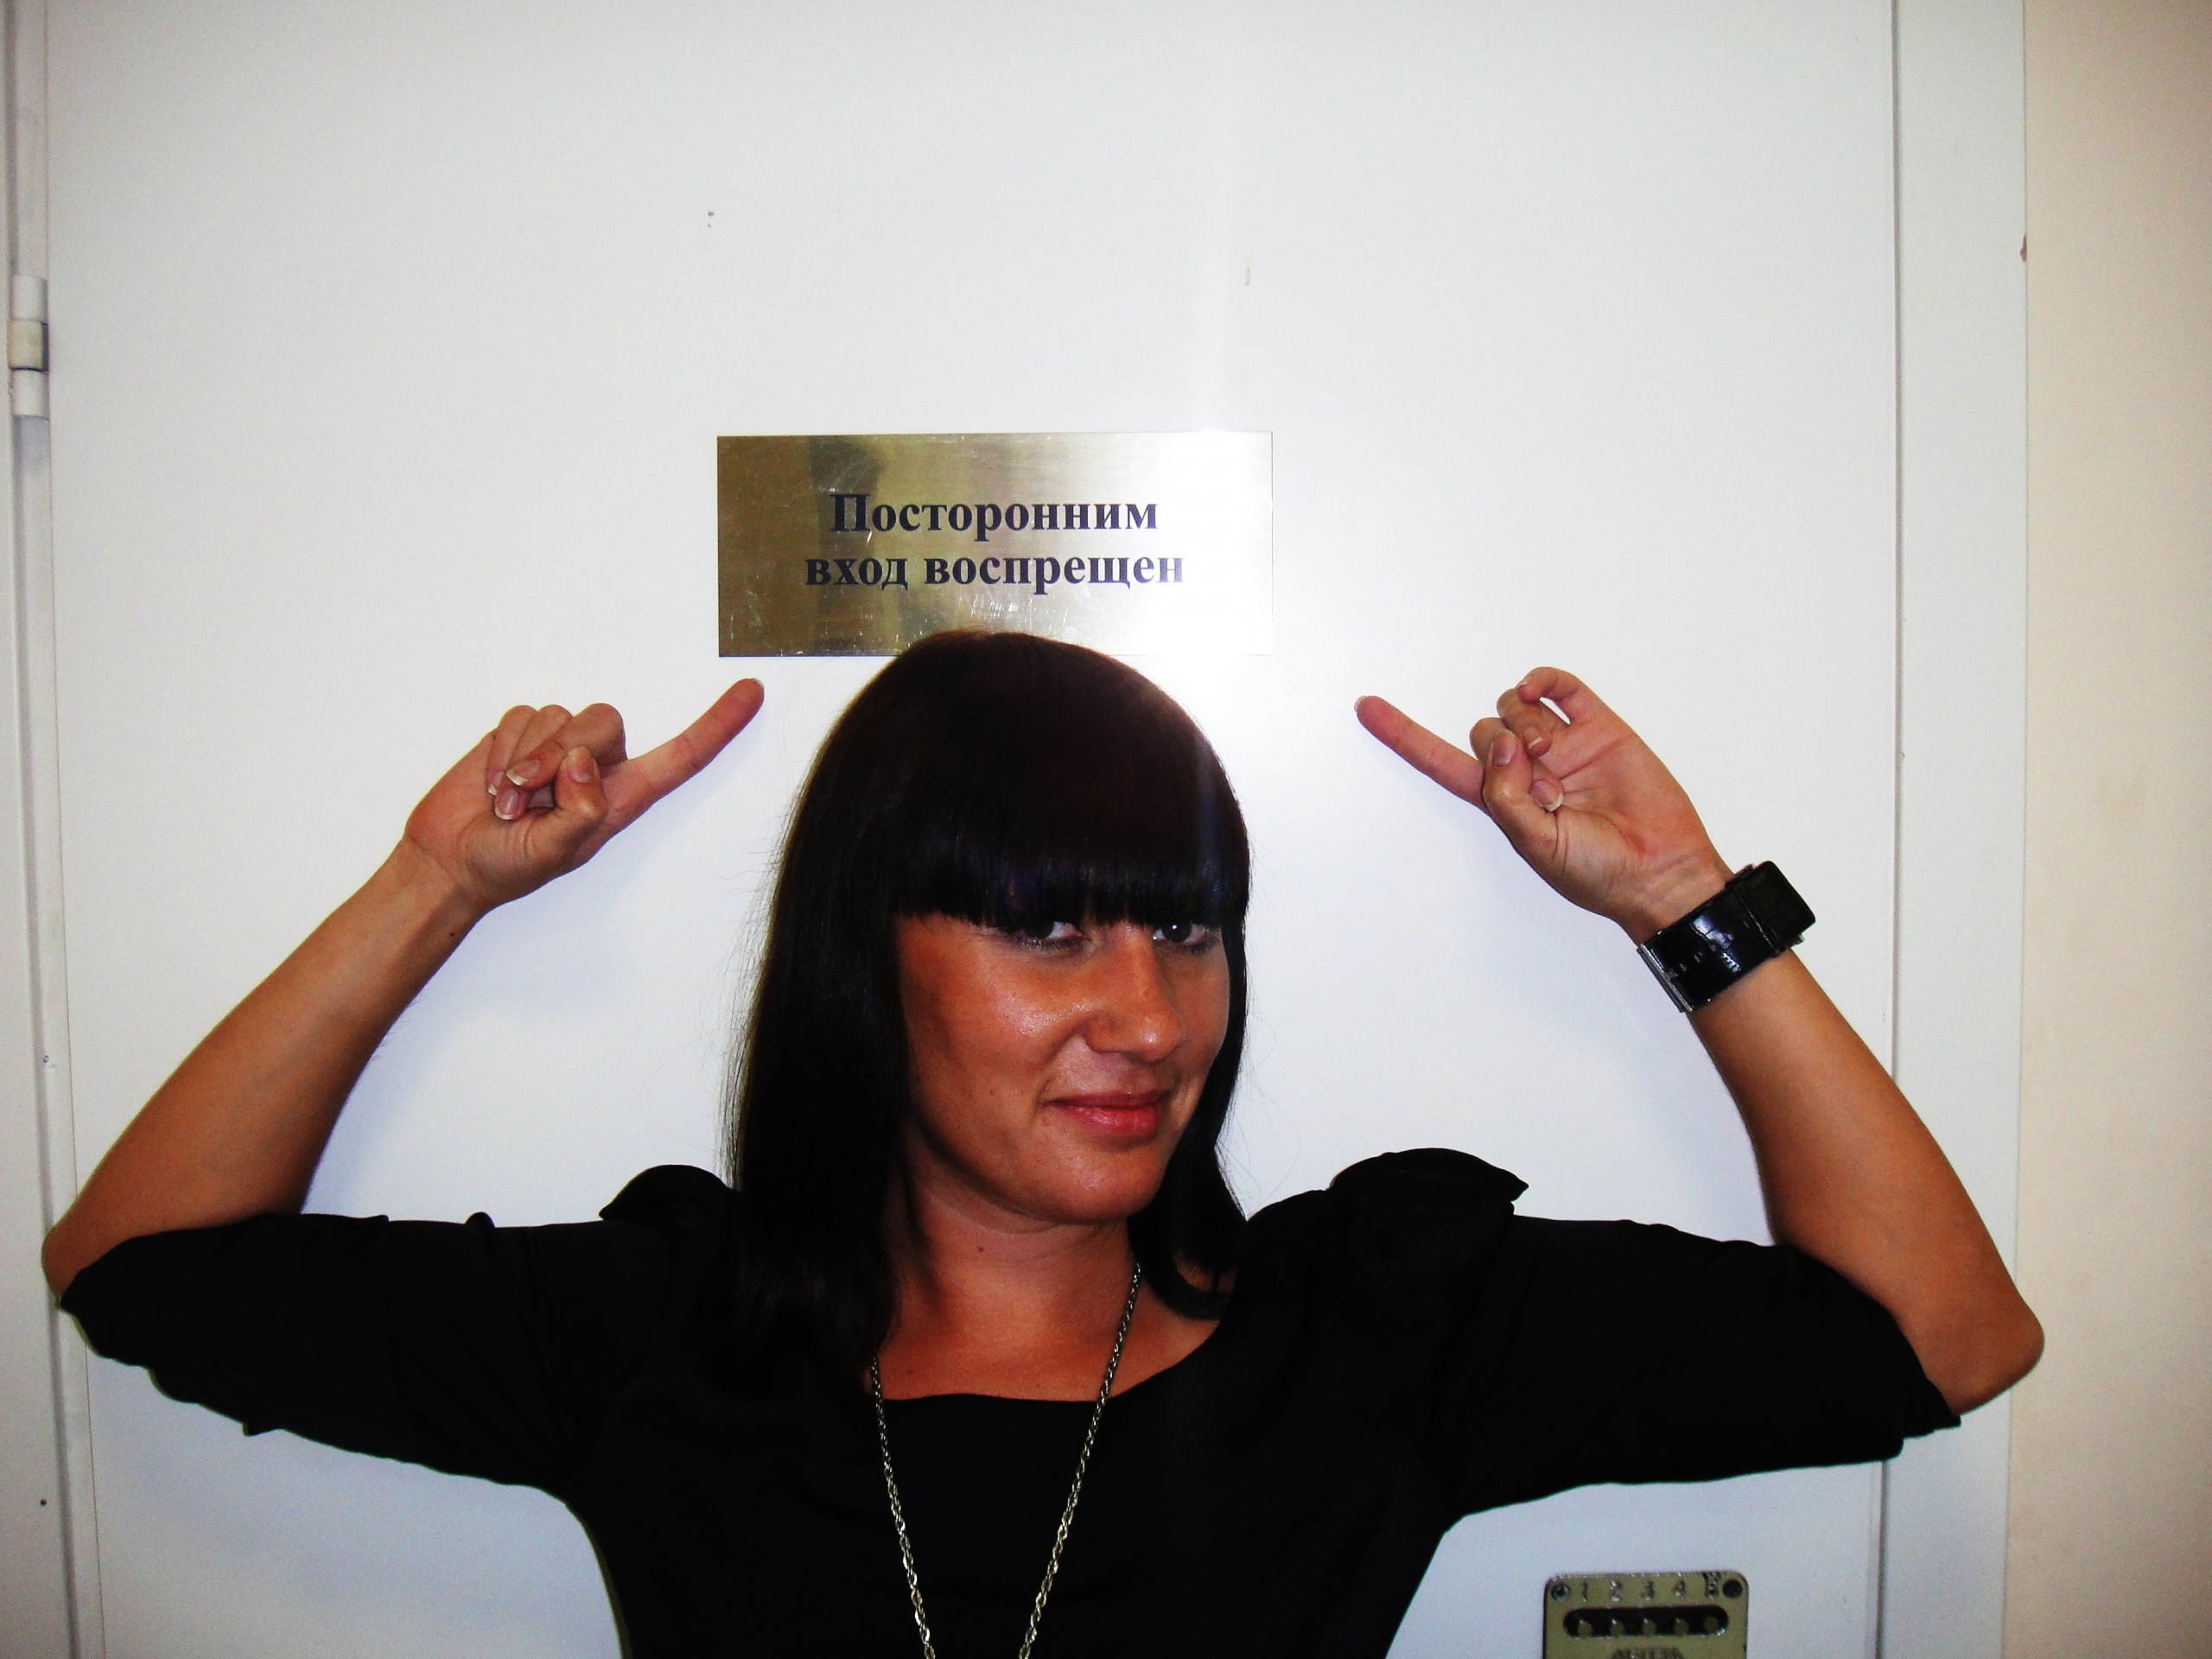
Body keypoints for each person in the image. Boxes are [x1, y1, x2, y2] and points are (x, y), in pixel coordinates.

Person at [41, 631, 2040, 1659]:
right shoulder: (674, 1335)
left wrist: (1680, 902)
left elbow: (1940, 1338)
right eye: (1049, 930)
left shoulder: (1370, 1328)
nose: (1148, 1020)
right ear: (866, 956)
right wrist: (438, 889)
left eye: (1186, 930)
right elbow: (137, 1268)